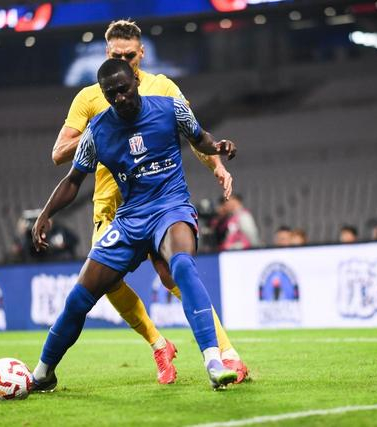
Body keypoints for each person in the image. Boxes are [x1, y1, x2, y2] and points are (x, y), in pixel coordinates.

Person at [50, 20, 247, 384]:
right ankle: (158, 343)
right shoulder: (91, 98)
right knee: (105, 284)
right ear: (107, 54)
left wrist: (217, 164)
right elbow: (59, 153)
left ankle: (227, 354)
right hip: (110, 207)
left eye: (130, 55)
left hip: (157, 201)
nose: (124, 60)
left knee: (175, 274)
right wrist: (102, 126)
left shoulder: (164, 88)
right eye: (116, 55)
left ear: (141, 53)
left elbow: (194, 134)